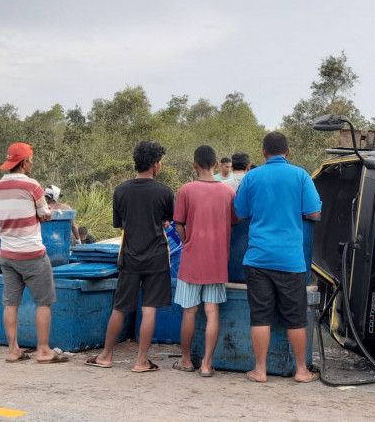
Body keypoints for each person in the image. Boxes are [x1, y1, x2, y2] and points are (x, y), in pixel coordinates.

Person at [234, 131, 322, 383]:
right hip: (291, 261)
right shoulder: (300, 175)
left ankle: (259, 370)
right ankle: (301, 370)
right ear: (288, 152)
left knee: (260, 316)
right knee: (295, 318)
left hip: (258, 259)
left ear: (263, 153)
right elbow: (314, 212)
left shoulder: (252, 176)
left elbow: (240, 213)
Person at [85, 140, 174, 372]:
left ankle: (106, 356)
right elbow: (167, 221)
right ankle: (141, 361)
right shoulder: (165, 192)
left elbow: (119, 224)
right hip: (156, 257)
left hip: (129, 257)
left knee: (120, 307)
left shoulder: (121, 190)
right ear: (155, 164)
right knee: (149, 308)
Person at [0, 142, 68, 364]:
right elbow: (45, 214)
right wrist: (48, 212)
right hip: (32, 253)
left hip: (7, 253)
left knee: (10, 303)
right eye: (31, 160)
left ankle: (13, 350)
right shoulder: (32, 185)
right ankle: (43, 350)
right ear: (24, 163)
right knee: (43, 301)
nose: (31, 164)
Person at [172, 145, 237, 377]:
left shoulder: (186, 190)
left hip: (191, 260)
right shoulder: (229, 192)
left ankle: (187, 360)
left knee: (189, 312)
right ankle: (207, 364)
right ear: (217, 164)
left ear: (194, 165)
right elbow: (232, 224)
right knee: (212, 312)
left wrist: (187, 241)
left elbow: (178, 223)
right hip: (218, 260)